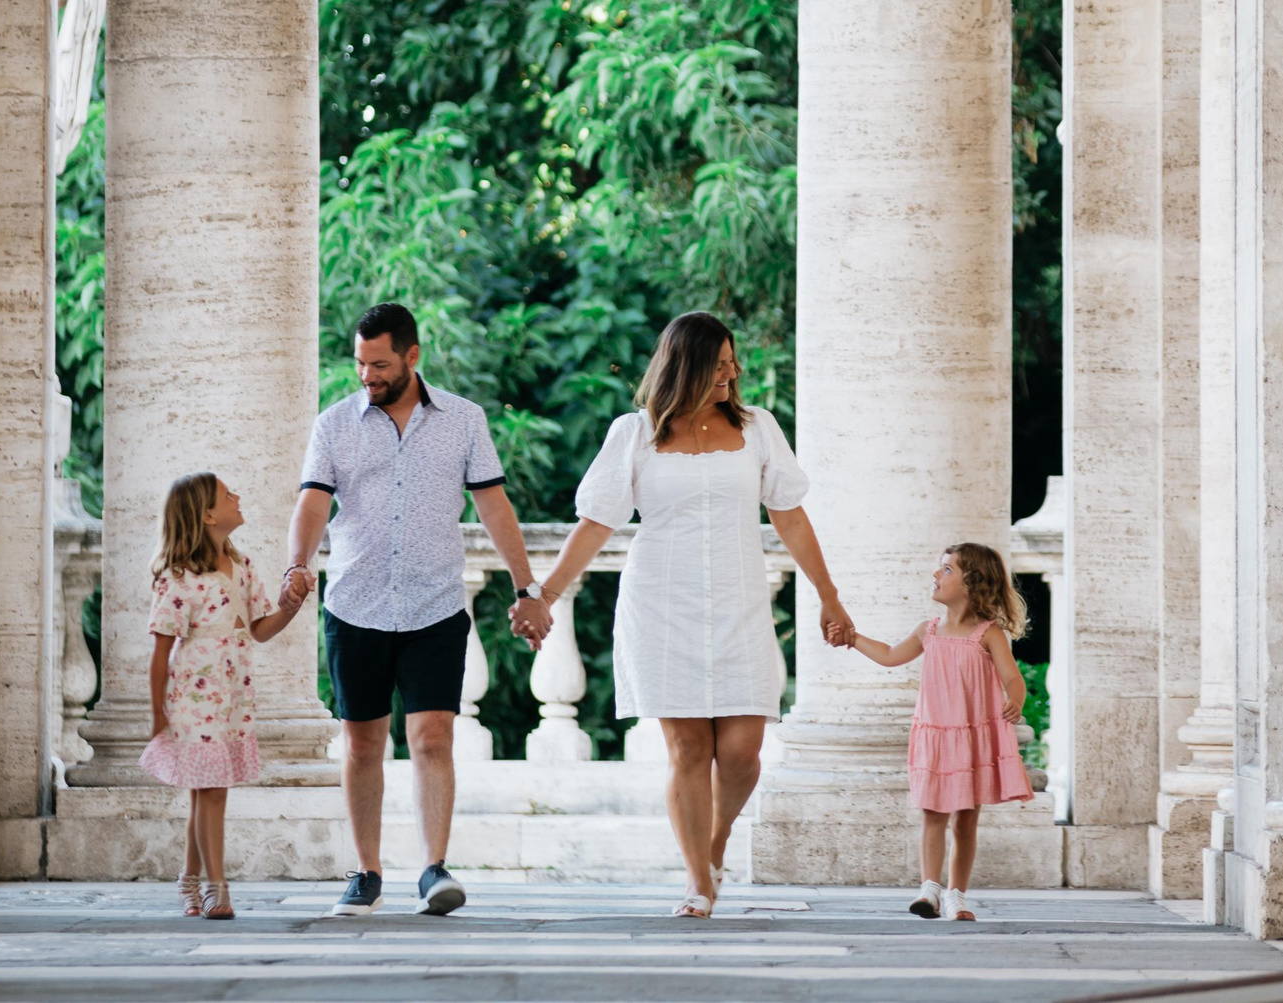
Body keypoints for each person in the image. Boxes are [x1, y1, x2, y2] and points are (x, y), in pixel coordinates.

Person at [529, 312, 854, 918]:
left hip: (739, 601)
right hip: (660, 602)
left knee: (742, 752)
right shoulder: (635, 433)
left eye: (734, 362)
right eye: (720, 363)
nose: (732, 373)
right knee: (686, 750)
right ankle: (697, 881)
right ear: (687, 366)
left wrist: (828, 595)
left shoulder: (758, 429)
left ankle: (717, 838)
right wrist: (545, 595)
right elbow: (597, 523)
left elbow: (789, 516)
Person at [285, 303, 549, 917]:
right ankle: (367, 871)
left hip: (436, 603)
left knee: (433, 737)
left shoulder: (464, 420)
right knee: (362, 744)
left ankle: (434, 869)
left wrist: (527, 587)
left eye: (379, 364)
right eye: (359, 364)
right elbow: (311, 504)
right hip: (355, 603)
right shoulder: (333, 426)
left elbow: (493, 507)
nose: (366, 376)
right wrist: (297, 562)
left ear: (412, 356)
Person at [141, 472, 312, 921]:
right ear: (207, 515)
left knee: (207, 792)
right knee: (211, 789)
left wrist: (289, 608)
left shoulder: (243, 567)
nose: (238, 496)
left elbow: (258, 630)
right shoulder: (178, 579)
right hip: (194, 699)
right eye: (226, 494)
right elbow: (160, 654)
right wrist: (158, 714)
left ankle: (189, 880)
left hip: (232, 697)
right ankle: (217, 887)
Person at [843, 541, 1032, 923]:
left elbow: (1012, 677)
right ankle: (928, 889)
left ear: (973, 582)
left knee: (965, 819)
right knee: (932, 814)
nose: (936, 574)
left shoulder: (988, 634)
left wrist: (1016, 699)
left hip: (970, 736)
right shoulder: (927, 630)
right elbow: (890, 655)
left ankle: (956, 896)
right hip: (936, 735)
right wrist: (852, 637)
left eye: (946, 569)